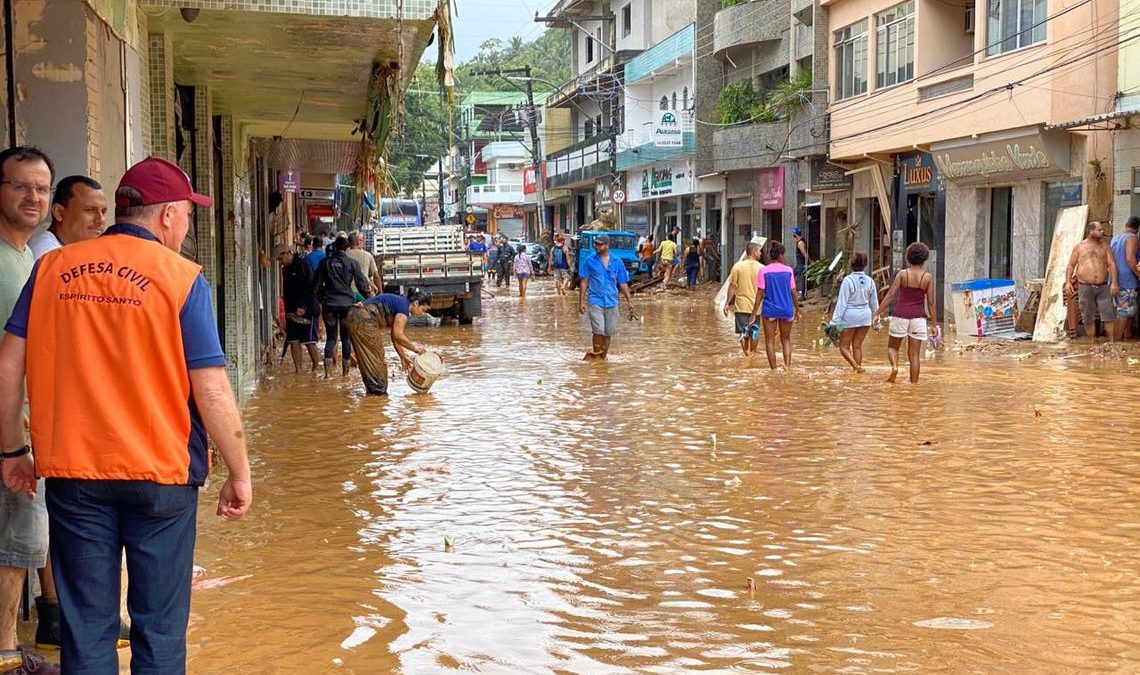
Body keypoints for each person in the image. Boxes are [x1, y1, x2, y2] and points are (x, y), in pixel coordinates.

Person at [0, 155, 252, 674]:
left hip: (74, 474)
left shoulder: (51, 268)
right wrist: (239, 470)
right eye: (186, 214)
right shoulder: (181, 278)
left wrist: (13, 449)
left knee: (87, 628)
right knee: (158, 630)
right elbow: (212, 389)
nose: (186, 225)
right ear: (166, 216)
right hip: (161, 475)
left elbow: (8, 366)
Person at [0, 147, 58, 675]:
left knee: (22, 536)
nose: (32, 197)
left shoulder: (29, 259)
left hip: (24, 423)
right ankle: (6, 655)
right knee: (18, 537)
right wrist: (12, 442)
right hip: (8, 430)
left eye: (41, 188)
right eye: (20, 186)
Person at [873, 242, 940, 383]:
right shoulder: (927, 278)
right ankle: (914, 387)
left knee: (892, 347)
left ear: (908, 258)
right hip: (919, 319)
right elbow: (931, 303)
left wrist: (877, 313)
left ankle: (895, 367)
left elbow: (890, 295)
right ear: (925, 258)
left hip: (900, 316)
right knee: (914, 355)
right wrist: (934, 325)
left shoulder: (902, 274)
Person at [346, 291, 433, 395]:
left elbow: (395, 336)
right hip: (363, 318)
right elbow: (398, 335)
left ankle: (372, 395)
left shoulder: (401, 303)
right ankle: (378, 396)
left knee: (367, 359)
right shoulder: (403, 309)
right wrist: (416, 349)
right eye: (423, 310)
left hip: (354, 315)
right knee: (376, 360)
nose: (422, 314)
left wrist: (402, 356)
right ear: (415, 303)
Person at [316, 236, 372, 376]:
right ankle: (345, 375)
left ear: (334, 247)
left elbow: (316, 286)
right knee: (346, 338)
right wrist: (370, 300)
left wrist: (322, 299)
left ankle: (328, 375)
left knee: (331, 338)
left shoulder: (325, 263)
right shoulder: (352, 263)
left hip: (329, 304)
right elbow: (362, 284)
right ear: (347, 248)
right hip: (347, 305)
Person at [578, 233, 635, 360]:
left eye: (599, 244)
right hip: (595, 300)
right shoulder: (589, 261)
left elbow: (623, 283)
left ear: (607, 245)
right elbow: (584, 282)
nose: (596, 246)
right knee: (598, 330)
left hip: (612, 301)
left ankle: (602, 358)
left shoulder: (617, 262)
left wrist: (629, 301)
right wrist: (581, 302)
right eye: (596, 244)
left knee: (608, 332)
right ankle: (596, 356)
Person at [747, 240, 800, 370]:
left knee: (770, 341)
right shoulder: (788, 271)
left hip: (769, 310)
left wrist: (753, 314)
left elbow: (760, 293)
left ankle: (774, 369)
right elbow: (793, 293)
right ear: (781, 255)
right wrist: (797, 310)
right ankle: (787, 367)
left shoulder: (763, 271)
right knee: (786, 339)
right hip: (786, 310)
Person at [28, 175, 107, 259]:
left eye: (103, 211)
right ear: (59, 212)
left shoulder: (77, 248)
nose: (100, 220)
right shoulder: (46, 253)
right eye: (89, 210)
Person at [1064, 220, 1119, 341]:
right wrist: (1068, 282)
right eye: (1099, 230)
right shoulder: (1080, 247)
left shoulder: (1105, 246)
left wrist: (1114, 283)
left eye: (1102, 229)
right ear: (1091, 231)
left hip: (1103, 286)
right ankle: (1092, 342)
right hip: (1085, 286)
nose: (1102, 232)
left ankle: (1112, 342)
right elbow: (1071, 266)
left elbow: (1112, 264)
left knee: (1108, 315)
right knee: (1088, 316)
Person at [275, 243, 321, 373]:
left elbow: (311, 286)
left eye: (281, 259)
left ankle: (315, 368)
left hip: (308, 308)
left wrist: (303, 306)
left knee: (309, 340)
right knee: (293, 339)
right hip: (291, 310)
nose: (280, 263)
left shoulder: (303, 264)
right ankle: (298, 371)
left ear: (288, 253)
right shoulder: (285, 269)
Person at [831, 252, 879, 372]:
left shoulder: (848, 280)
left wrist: (834, 321)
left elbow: (842, 303)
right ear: (865, 265)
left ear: (851, 264)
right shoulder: (870, 281)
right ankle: (857, 372)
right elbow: (875, 304)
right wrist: (877, 321)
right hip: (865, 317)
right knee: (857, 346)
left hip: (850, 317)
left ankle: (856, 367)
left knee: (843, 346)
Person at [723, 241, 763, 356]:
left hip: (741, 306)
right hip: (757, 307)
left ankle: (746, 354)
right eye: (759, 251)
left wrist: (727, 303)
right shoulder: (762, 268)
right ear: (754, 252)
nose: (760, 254)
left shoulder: (737, 266)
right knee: (754, 331)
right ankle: (752, 354)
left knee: (743, 332)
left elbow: (732, 286)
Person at [1110, 216, 1139, 340]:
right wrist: (1138, 274)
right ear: (1137, 229)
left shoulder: (1115, 238)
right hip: (1127, 280)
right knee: (1124, 311)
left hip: (1115, 279)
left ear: (1126, 225)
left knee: (1126, 311)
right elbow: (1130, 259)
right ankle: (1115, 342)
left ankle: (1126, 337)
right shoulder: (1132, 238)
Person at [346, 232, 379, 296]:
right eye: (359, 240)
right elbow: (376, 275)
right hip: (363, 292)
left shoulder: (344, 255)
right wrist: (380, 292)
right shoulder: (367, 255)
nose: (360, 242)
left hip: (348, 292)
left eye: (361, 240)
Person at [793, 226, 810, 300]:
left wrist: (808, 260)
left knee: (802, 278)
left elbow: (804, 253)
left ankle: (802, 295)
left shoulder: (800, 243)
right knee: (793, 275)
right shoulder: (801, 241)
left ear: (795, 234)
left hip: (801, 263)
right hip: (800, 263)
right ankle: (802, 294)